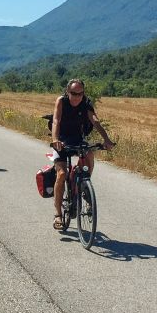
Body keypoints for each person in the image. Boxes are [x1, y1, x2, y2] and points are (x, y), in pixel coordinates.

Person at [50, 78, 115, 230]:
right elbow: (56, 121)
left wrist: (106, 140)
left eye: (80, 93)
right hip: (61, 140)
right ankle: (58, 214)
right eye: (73, 93)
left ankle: (84, 185)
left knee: (90, 156)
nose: (77, 97)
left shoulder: (86, 103)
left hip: (78, 139)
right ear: (68, 92)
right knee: (61, 174)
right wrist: (55, 139)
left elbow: (95, 120)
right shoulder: (61, 101)